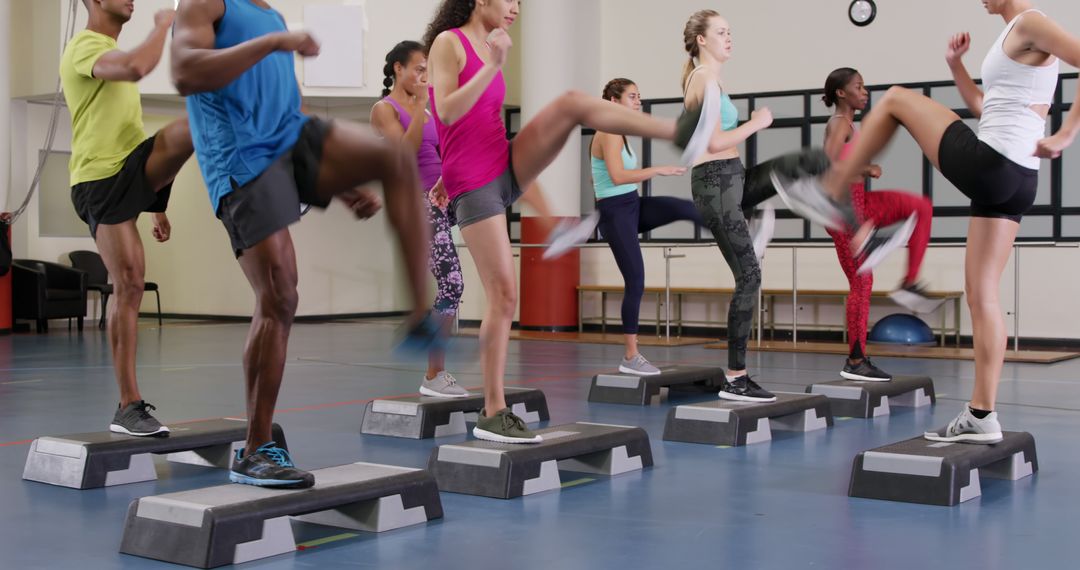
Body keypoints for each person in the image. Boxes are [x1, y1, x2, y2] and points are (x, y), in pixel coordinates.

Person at [774, 0, 1080, 443]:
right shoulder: (1017, 32)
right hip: (1018, 179)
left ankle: (832, 189)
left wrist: (1066, 134)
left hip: (993, 163)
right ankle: (981, 415)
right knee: (981, 294)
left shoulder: (1031, 22)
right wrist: (956, 66)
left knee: (896, 98)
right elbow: (982, 106)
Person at [172, 0, 435, 486]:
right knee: (280, 296)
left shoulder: (268, 11)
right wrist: (274, 42)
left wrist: (338, 184)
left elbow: (285, 100)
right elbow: (185, 71)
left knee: (394, 162)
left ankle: (421, 314)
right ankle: (256, 447)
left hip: (291, 137)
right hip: (242, 156)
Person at [423, 0, 702, 442]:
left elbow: (477, 123)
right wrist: (492, 65)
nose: (516, 8)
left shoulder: (493, 42)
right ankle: (493, 412)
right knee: (504, 294)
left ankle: (676, 130)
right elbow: (446, 113)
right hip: (474, 185)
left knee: (572, 103)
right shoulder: (449, 43)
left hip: (504, 160)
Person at [61, 0, 194, 437]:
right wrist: (164, 24)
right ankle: (127, 406)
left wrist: (156, 201)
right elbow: (137, 66)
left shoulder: (109, 48)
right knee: (130, 283)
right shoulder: (84, 46)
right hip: (98, 180)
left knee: (190, 127)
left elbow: (139, 142)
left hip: (129, 166)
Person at [820, 67, 938, 381]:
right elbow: (830, 169)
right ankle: (856, 361)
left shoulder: (850, 125)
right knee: (862, 284)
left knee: (920, 207)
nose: (865, 91)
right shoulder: (838, 125)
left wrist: (865, 166)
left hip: (862, 202)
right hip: (844, 211)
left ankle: (910, 281)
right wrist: (863, 167)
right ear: (842, 94)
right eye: (858, 87)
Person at [371, 41, 467, 398]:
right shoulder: (385, 109)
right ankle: (433, 375)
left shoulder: (429, 111)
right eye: (418, 69)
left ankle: (437, 371)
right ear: (398, 69)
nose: (424, 76)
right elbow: (404, 154)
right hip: (417, 202)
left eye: (428, 70)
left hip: (446, 197)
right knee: (452, 284)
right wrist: (423, 104)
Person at [591, 77, 696, 375]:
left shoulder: (620, 132)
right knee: (635, 281)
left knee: (682, 207)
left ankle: (738, 231)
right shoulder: (609, 131)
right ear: (614, 101)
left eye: (639, 97)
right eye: (633, 97)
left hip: (630, 206)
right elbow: (618, 176)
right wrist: (658, 169)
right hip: (616, 211)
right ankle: (630, 356)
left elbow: (601, 175)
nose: (639, 102)